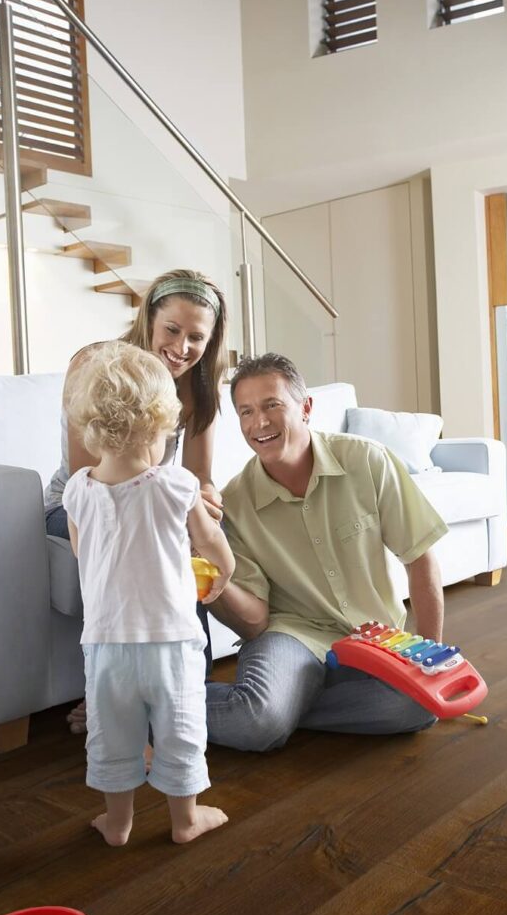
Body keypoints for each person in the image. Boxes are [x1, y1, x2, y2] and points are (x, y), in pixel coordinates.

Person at [206, 353, 449, 753]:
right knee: (258, 722)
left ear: (305, 408)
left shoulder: (369, 461)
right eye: (246, 412)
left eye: (272, 405)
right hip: (292, 634)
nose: (259, 423)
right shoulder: (235, 502)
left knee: (419, 705)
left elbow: (419, 558)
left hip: (375, 636)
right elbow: (253, 623)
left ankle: (279, 710)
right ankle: (142, 709)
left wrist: (430, 656)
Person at [62, 341, 235, 846]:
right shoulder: (176, 484)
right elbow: (210, 541)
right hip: (171, 641)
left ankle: (118, 824)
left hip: (105, 644)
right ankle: (185, 820)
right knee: (180, 731)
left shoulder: (77, 489)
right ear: (160, 427)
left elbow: (81, 552)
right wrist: (223, 570)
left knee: (113, 737)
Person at [43, 268, 229, 728]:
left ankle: (186, 682)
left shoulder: (197, 384)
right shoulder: (96, 365)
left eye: (196, 338)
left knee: (192, 536)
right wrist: (167, 510)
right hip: (83, 501)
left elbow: (199, 475)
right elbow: (93, 474)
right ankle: (111, 690)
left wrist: (201, 499)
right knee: (145, 541)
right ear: (149, 318)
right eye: (172, 329)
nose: (182, 348)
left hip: (150, 499)